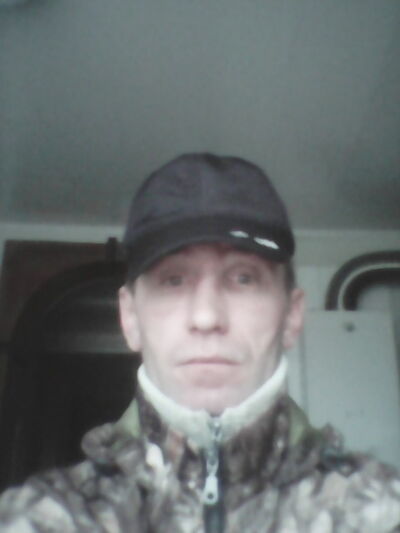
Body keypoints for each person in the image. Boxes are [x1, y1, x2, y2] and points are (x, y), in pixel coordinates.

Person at [0, 153, 399, 532]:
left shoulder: (379, 511)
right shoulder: (42, 517)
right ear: (130, 317)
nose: (207, 317)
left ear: (292, 316)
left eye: (243, 278)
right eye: (173, 279)